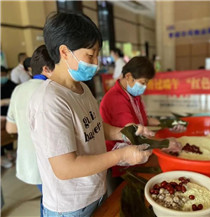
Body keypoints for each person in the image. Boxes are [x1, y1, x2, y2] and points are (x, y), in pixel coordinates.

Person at [28, 12, 153, 217]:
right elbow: (65, 168)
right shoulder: (49, 101)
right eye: (90, 54)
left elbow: (94, 127)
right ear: (64, 52)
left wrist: (124, 133)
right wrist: (121, 155)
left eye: (97, 54)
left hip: (95, 191)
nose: (96, 63)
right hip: (71, 207)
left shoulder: (82, 90)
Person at [100, 56, 184, 193]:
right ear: (128, 76)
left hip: (135, 158)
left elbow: (144, 120)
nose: (144, 87)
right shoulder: (116, 99)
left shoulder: (132, 95)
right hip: (120, 163)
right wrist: (164, 143)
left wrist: (170, 123)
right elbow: (134, 136)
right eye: (142, 83)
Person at [6, 45, 55, 217]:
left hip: (30, 162)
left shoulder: (19, 90)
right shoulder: (52, 91)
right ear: (47, 68)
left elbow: (10, 128)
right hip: (51, 162)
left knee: (47, 198)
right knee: (53, 203)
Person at [1, 66, 17, 169]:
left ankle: (10, 152)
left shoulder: (11, 85)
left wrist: (5, 101)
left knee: (10, 135)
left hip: (9, 115)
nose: (2, 77)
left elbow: (16, 99)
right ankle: (2, 156)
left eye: (3, 75)